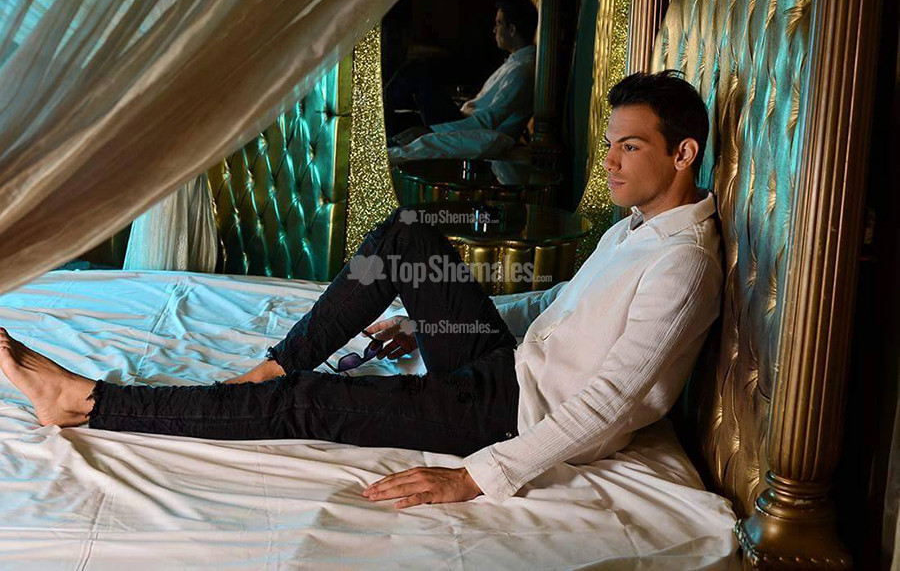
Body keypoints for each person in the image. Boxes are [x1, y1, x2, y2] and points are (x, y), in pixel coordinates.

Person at [0, 70, 722, 510]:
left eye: (630, 146)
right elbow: (558, 302)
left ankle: (88, 403)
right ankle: (278, 361)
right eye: (610, 143)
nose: (610, 162)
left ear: (683, 153)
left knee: (303, 404)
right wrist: (426, 322)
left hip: (511, 414)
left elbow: (611, 402)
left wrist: (477, 478)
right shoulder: (635, 228)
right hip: (506, 364)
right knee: (408, 236)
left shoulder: (683, 267)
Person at [384, 0, 538, 145]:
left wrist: (431, 131)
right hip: (462, 117)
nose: (494, 30)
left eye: (498, 24)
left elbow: (488, 120)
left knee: (418, 70)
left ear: (512, 30)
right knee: (401, 119)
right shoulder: (515, 63)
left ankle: (375, 107)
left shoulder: (521, 71)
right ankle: (377, 115)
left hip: (466, 125)